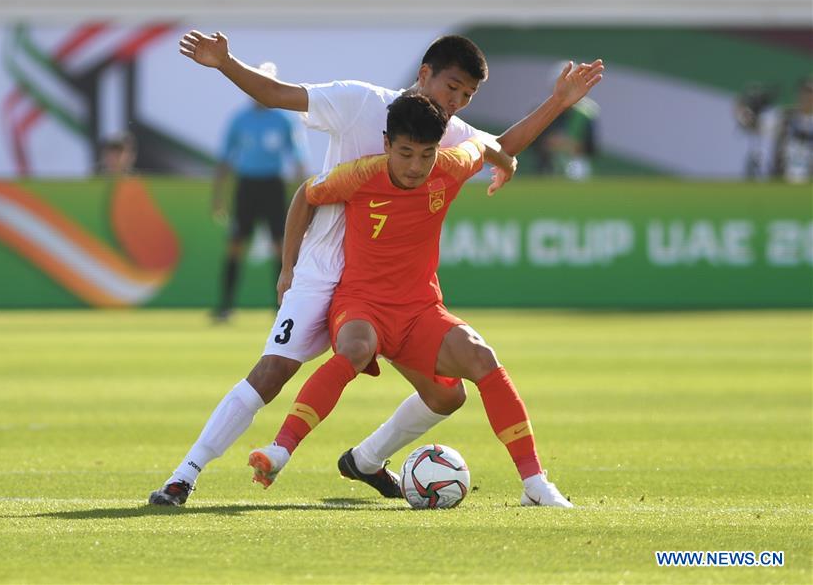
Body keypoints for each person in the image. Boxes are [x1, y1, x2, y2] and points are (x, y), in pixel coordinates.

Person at [147, 29, 602, 506]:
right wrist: (225, 63)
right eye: (452, 88)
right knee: (272, 372)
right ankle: (185, 474)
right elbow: (276, 95)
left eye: (468, 95)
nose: (458, 103)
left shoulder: (445, 132)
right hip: (326, 272)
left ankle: (365, 460)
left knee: (447, 396)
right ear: (424, 74)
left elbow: (499, 144)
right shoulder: (359, 101)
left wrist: (555, 107)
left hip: (396, 291)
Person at [248, 93, 571, 507]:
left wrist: (509, 159)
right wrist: (287, 269)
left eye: (426, 154)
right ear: (386, 145)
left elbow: (489, 145)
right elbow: (305, 197)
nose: (416, 166)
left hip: (420, 311)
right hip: (360, 304)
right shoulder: (360, 175)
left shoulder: (451, 166)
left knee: (474, 367)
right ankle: (280, 450)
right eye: (405, 154)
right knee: (356, 348)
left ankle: (534, 484)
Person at [211, 62, 306, 321]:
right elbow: (225, 159)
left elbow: (298, 158)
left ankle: (283, 306)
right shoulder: (239, 119)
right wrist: (218, 196)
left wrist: (306, 194)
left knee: (281, 248)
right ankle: (225, 306)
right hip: (247, 186)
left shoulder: (284, 118)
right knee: (235, 245)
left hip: (273, 186)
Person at [772, 77, 813, 183]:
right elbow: (760, 127)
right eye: (804, 93)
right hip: (784, 175)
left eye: (810, 93)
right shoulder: (785, 116)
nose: (807, 97)